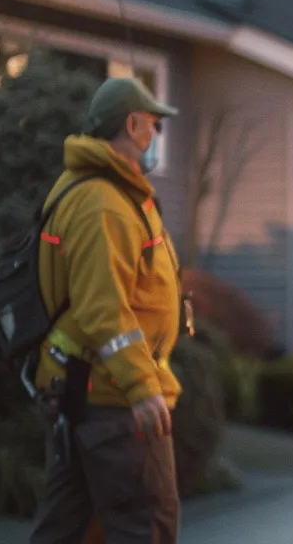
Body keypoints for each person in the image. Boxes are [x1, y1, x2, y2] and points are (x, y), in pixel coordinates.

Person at [30, 77, 184, 544]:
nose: (155, 138)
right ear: (132, 123)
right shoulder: (105, 206)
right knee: (144, 527)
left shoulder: (91, 190)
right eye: (153, 126)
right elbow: (105, 310)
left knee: (68, 531)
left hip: (85, 394)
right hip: (113, 401)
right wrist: (141, 387)